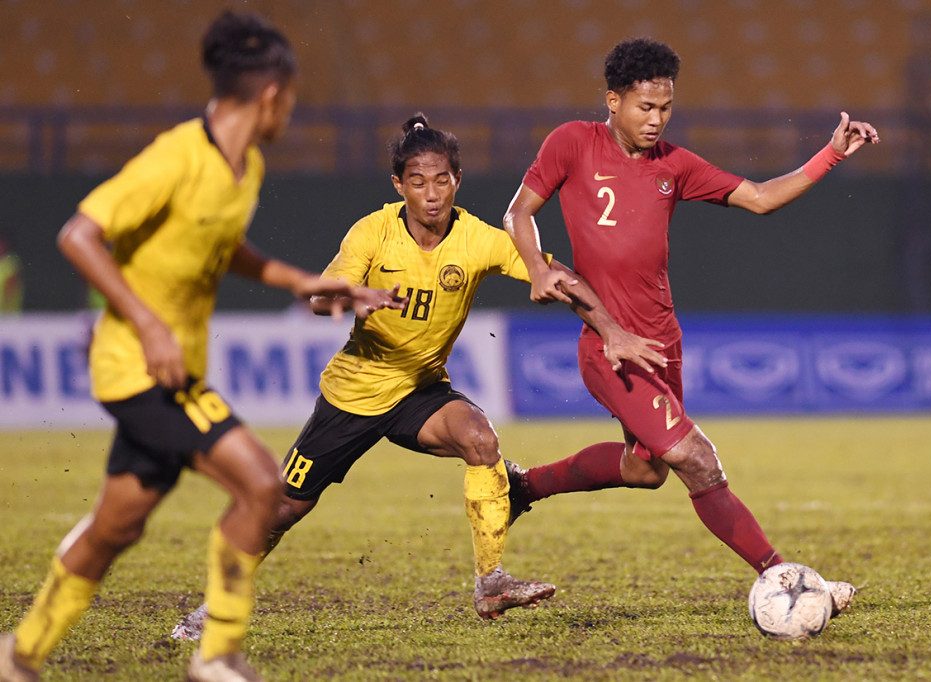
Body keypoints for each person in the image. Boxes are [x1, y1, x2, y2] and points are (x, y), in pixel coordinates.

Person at [0, 12, 403, 682]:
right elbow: (78, 235)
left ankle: (20, 654)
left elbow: (224, 249)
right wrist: (148, 324)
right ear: (273, 95)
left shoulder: (243, 168)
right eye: (292, 100)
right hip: (139, 369)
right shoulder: (176, 158)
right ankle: (216, 655)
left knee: (115, 527)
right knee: (259, 482)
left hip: (170, 369)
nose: (290, 112)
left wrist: (300, 281)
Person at [169, 112, 666, 639]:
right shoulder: (373, 232)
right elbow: (319, 296)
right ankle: (214, 606)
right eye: (417, 182)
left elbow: (557, 276)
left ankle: (490, 580)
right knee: (283, 509)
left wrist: (610, 327)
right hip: (353, 396)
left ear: (457, 180)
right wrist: (349, 297)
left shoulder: (478, 239)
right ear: (398, 185)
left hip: (420, 391)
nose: (431, 194)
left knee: (480, 439)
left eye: (441, 180)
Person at [502, 37, 878, 613]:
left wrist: (829, 155)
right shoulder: (572, 143)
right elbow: (518, 211)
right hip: (608, 345)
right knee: (698, 459)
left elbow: (759, 198)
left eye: (665, 108)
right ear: (613, 100)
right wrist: (534, 266)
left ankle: (523, 488)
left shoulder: (673, 166)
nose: (656, 120)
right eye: (644, 108)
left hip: (662, 343)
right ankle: (788, 579)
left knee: (644, 469)